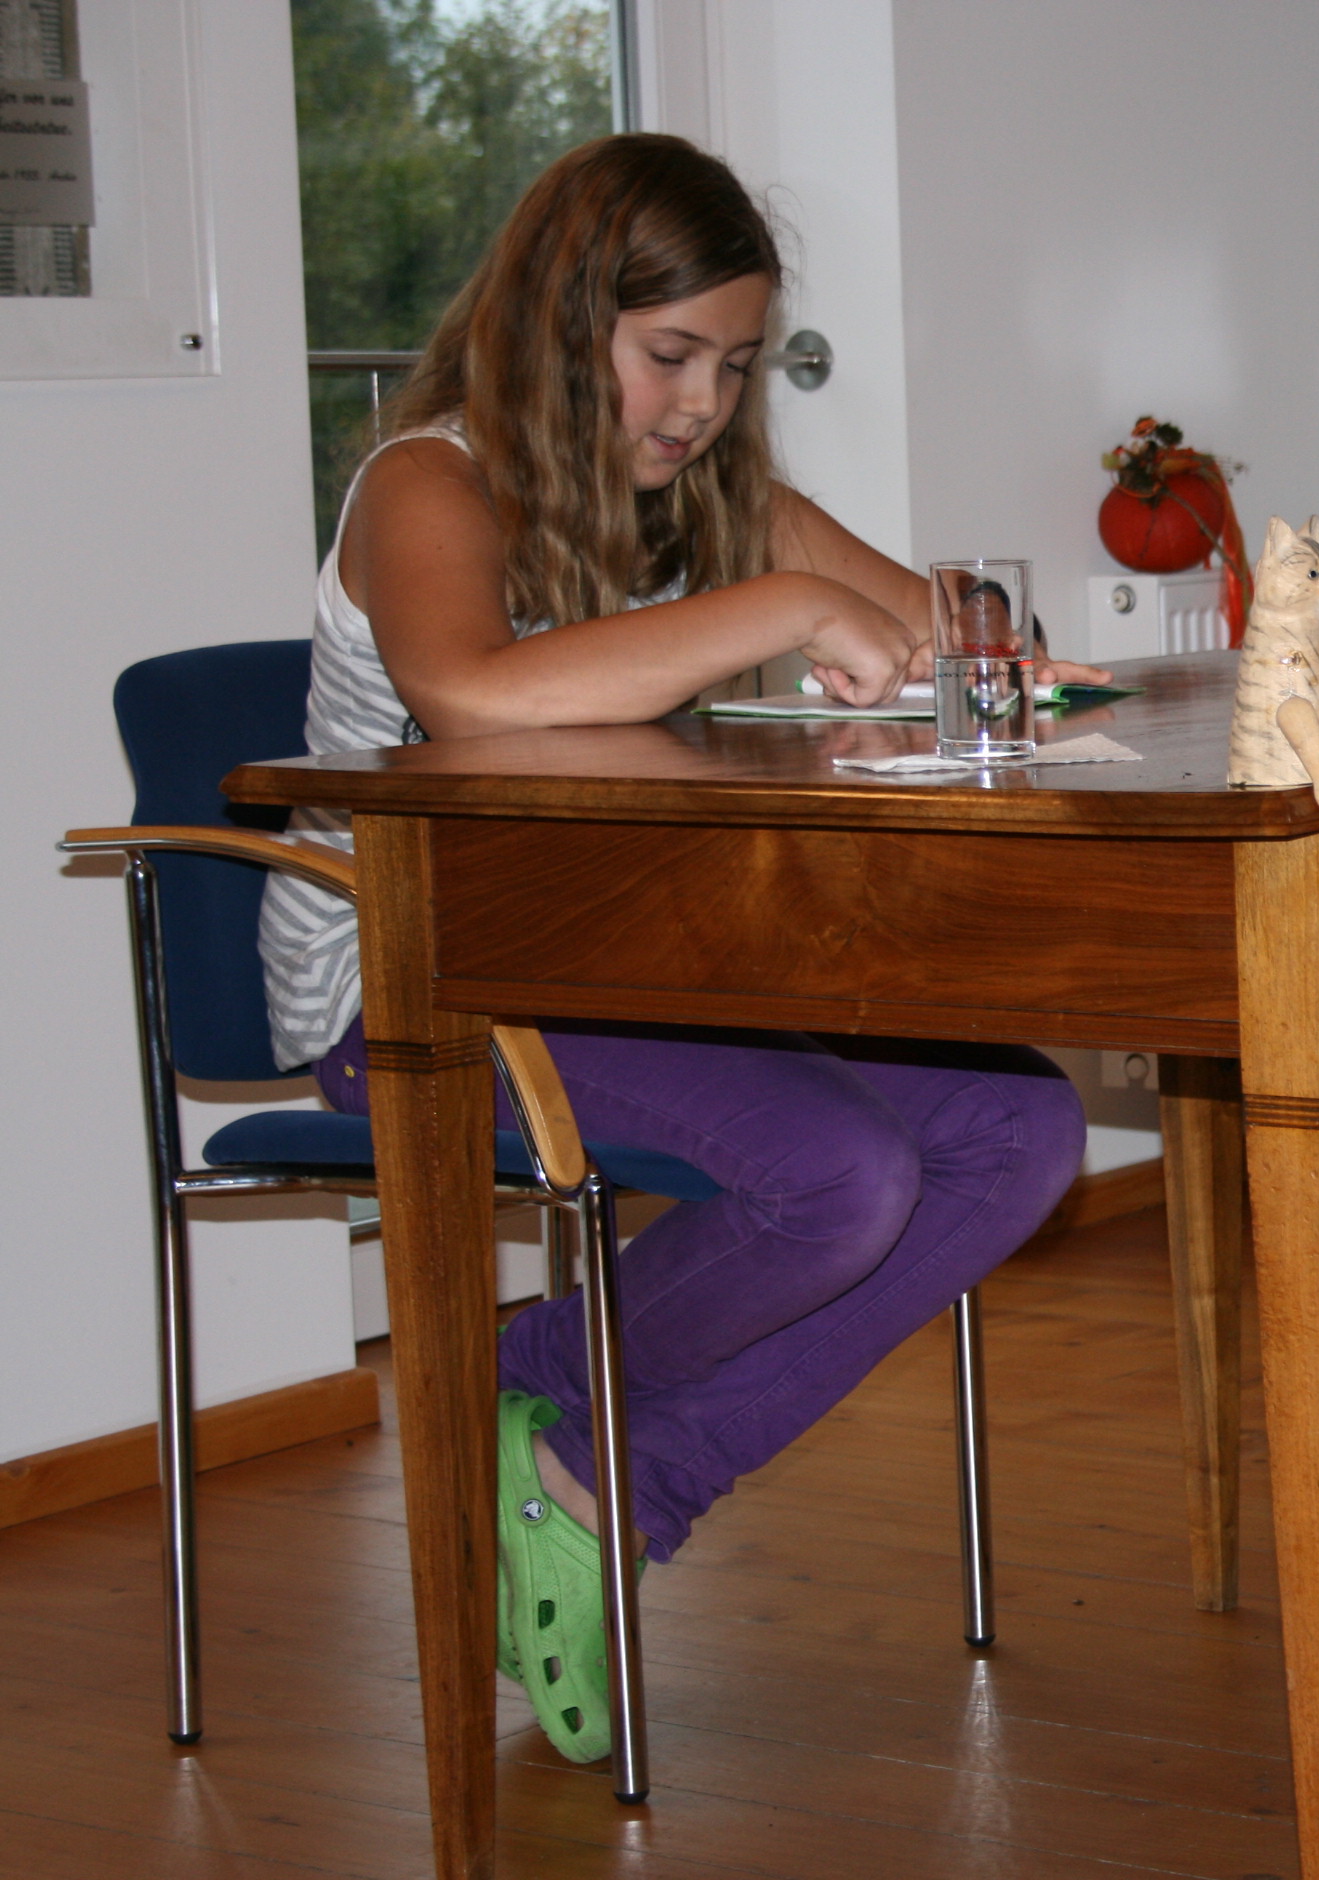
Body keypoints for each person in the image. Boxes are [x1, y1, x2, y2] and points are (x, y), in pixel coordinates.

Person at [256, 133, 1107, 1764]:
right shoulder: (428, 483)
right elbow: (473, 697)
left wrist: (977, 647)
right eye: (668, 354)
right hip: (418, 990)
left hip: (633, 968)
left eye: (733, 365)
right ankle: (566, 1418)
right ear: (556, 322)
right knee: (842, 1177)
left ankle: (573, 1436)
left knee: (1024, 1127)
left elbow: (969, 645)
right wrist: (784, 608)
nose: (701, 403)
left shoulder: (709, 501)